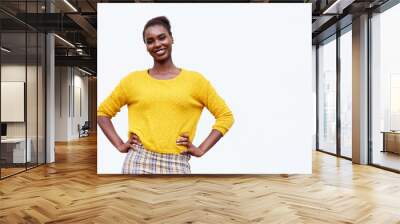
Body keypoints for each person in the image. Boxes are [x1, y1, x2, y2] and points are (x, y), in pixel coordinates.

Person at [97, 16, 234, 174]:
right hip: (138, 160)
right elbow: (103, 113)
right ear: (146, 46)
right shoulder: (132, 80)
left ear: (171, 38)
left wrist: (201, 149)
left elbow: (225, 116)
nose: (157, 44)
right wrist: (120, 145)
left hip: (177, 161)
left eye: (162, 37)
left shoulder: (196, 81)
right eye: (150, 41)